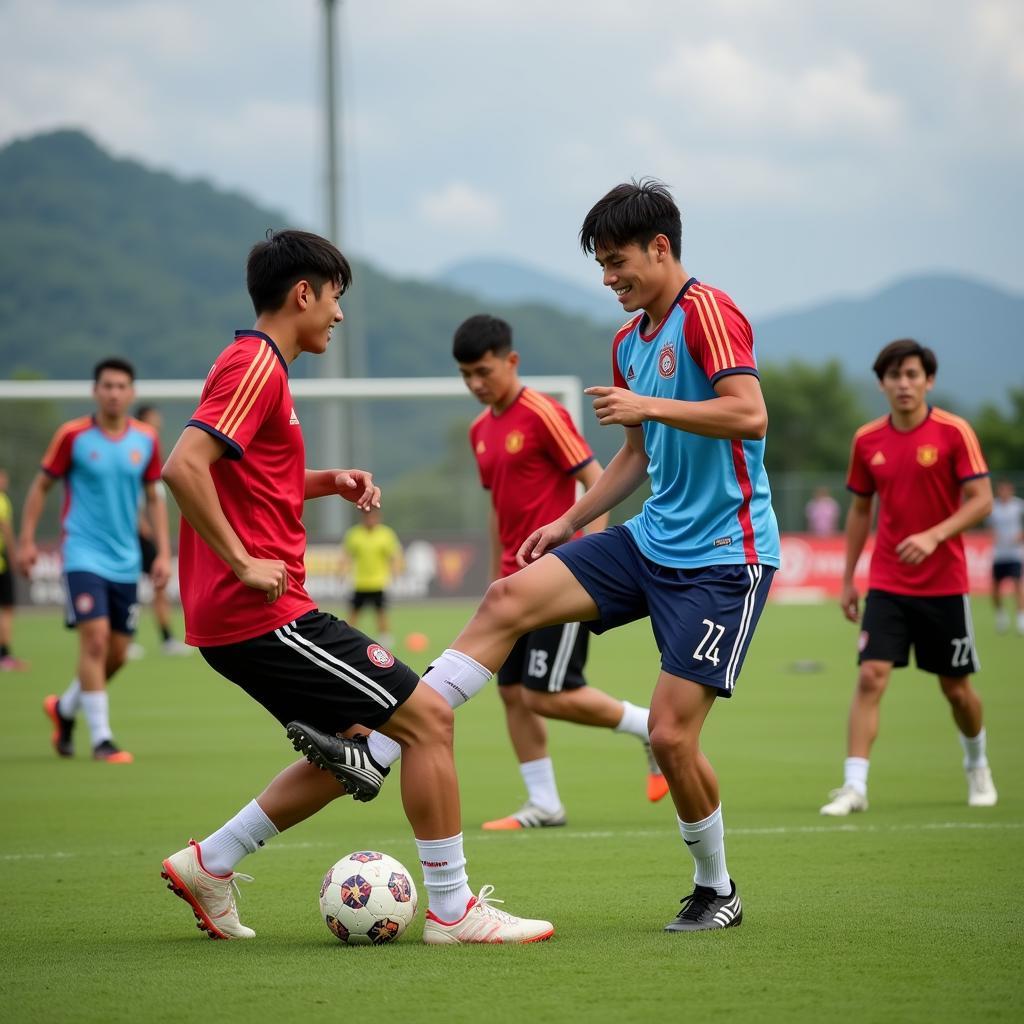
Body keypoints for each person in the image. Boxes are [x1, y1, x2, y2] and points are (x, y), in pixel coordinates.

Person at [316, 179, 780, 932]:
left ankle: (715, 885)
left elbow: (749, 415)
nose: (609, 279)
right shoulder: (630, 341)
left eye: (617, 261)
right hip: (650, 539)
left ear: (661, 248)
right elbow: (635, 456)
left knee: (669, 737)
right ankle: (386, 749)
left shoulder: (709, 312)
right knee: (505, 599)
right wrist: (570, 520)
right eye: (600, 264)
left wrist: (649, 405)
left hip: (726, 558)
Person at [158, 228, 550, 944]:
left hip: (244, 616)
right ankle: (453, 910)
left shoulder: (258, 368)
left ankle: (210, 863)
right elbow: (184, 466)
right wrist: (245, 563)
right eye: (335, 297)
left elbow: (241, 474)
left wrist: (326, 482)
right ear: (303, 293)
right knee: (428, 719)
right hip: (261, 612)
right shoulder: (256, 365)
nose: (338, 315)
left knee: (365, 745)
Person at [454, 313, 667, 829]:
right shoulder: (480, 431)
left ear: (512, 361)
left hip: (559, 575)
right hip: (513, 581)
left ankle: (650, 728)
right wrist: (493, 573)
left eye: (484, 371)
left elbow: (596, 478)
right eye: (467, 376)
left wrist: (590, 567)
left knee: (548, 694)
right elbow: (497, 510)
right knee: (510, 693)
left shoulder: (543, 414)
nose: (477, 384)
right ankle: (544, 803)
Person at [820, 339, 998, 816]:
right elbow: (860, 511)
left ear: (928, 381)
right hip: (888, 583)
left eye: (913, 375)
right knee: (871, 677)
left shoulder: (954, 432)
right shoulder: (867, 440)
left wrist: (935, 535)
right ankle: (854, 787)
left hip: (945, 584)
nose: (904, 384)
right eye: (895, 376)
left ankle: (976, 764)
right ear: (881, 383)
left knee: (955, 688)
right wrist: (847, 578)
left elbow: (981, 500)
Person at [18, 358, 171, 762]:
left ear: (131, 393)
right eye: (107, 386)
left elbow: (155, 499)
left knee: (118, 653)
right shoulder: (72, 436)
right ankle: (102, 739)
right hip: (82, 554)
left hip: (126, 559)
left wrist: (164, 553)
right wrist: (27, 540)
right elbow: (40, 487)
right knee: (96, 640)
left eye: (122, 386)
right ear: (95, 391)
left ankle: (65, 709)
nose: (114, 393)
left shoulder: (146, 440)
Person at [132, 405, 190, 657]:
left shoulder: (154, 456)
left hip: (150, 535)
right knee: (128, 586)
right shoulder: (132, 454)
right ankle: (126, 639)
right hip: (134, 535)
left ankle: (166, 638)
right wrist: (140, 524)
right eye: (151, 425)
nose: (156, 430)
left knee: (159, 584)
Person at [341, 507, 402, 648]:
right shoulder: (354, 534)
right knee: (353, 614)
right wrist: (342, 572)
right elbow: (347, 555)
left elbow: (392, 556)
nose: (371, 520)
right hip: (360, 582)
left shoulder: (386, 534)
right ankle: (346, 638)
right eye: (368, 517)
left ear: (378, 517)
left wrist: (395, 572)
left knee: (381, 613)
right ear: (363, 518)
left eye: (373, 517)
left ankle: (385, 640)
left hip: (378, 582)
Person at [0, 467, 28, 671]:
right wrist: (14, 556)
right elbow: (7, 532)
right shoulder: (2, 501)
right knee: (7, 608)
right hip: (1, 564)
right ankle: (4, 656)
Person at [989, 480, 1024, 634]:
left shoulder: (1018, 506)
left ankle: (1021, 618)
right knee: (996, 588)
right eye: (1001, 490)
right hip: (998, 554)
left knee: (1018, 585)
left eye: (1007, 490)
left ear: (1011, 491)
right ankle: (1001, 615)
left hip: (1014, 553)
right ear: (998, 491)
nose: (1004, 492)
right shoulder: (993, 508)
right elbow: (990, 526)